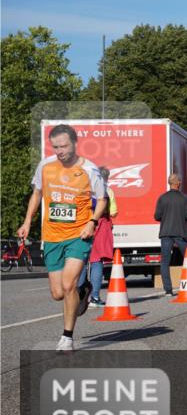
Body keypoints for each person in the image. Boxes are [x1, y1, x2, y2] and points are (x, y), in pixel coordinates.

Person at [17, 124, 107, 353]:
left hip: (79, 235)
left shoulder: (89, 169)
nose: (60, 151)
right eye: (56, 147)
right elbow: (36, 194)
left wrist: (92, 221)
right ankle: (84, 291)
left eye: (64, 146)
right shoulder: (45, 166)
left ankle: (67, 337)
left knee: (68, 285)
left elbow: (103, 199)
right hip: (52, 236)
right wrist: (27, 221)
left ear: (75, 143)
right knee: (58, 293)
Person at [80, 167, 118, 306]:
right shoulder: (108, 191)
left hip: (84, 223)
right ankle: (95, 297)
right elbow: (113, 212)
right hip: (101, 224)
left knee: (82, 259)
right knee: (97, 261)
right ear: (106, 177)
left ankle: (79, 294)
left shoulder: (86, 190)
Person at [154, 173, 187, 296]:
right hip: (181, 233)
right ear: (178, 183)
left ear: (169, 183)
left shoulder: (162, 198)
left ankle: (168, 290)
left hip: (165, 233)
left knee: (165, 261)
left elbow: (157, 216)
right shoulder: (184, 198)